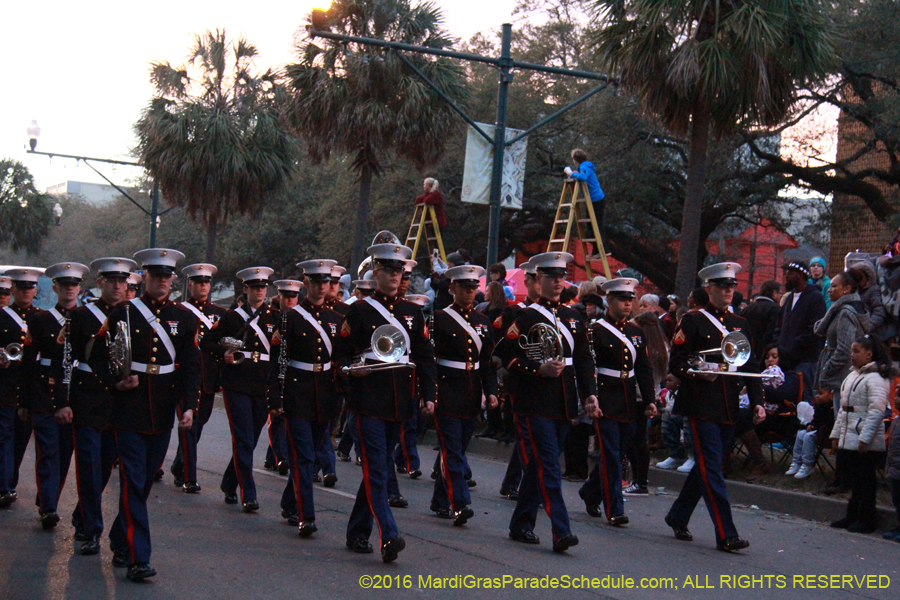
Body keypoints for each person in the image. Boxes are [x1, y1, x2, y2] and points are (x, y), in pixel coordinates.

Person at [90, 248, 200, 581]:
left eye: (168, 277)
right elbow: (95, 355)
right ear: (146, 277)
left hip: (163, 410)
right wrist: (116, 381)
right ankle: (140, 557)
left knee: (143, 485)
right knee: (134, 482)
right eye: (157, 276)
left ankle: (120, 538)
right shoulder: (124, 312)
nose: (163, 282)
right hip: (128, 409)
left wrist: (190, 405)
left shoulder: (185, 317)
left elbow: (192, 366)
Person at [335, 241, 436, 563]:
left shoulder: (412, 312)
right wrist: (351, 372)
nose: (395, 276)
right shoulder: (359, 311)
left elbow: (424, 357)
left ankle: (356, 532)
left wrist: (428, 394)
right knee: (377, 470)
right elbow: (339, 357)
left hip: (399, 403)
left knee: (378, 471)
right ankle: (388, 534)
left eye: (400, 271)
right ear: (375, 271)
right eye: (389, 270)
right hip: (367, 402)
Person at [494, 251, 597, 553]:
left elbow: (583, 360)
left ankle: (521, 523)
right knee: (550, 467)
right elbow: (506, 356)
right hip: (533, 402)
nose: (557, 282)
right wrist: (536, 368)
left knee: (540, 466)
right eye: (550, 277)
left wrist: (589, 393)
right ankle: (561, 530)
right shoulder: (524, 316)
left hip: (563, 404)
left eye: (561, 277)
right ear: (537, 280)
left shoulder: (574, 317)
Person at [665, 262, 766, 552]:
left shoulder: (740, 324)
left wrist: (758, 402)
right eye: (723, 286)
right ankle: (726, 533)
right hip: (699, 404)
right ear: (709, 288)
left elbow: (752, 366)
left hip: (728, 404)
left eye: (732, 286)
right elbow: (677, 361)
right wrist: (697, 372)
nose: (728, 291)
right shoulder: (693, 320)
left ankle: (677, 514)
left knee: (706, 468)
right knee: (712, 468)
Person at [268, 260, 344, 537]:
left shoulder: (336, 320)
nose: (321, 286)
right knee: (302, 456)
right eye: (316, 281)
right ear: (306, 283)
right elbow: (279, 360)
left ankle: (290, 502)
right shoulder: (290, 317)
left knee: (310, 455)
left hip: (325, 392)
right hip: (297, 392)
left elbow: (340, 359)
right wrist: (276, 396)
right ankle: (306, 515)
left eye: (326, 281)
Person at [66, 257, 136, 555]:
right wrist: (62, 402)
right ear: (100, 283)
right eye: (111, 281)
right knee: (90, 467)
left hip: (119, 403)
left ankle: (83, 514)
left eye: (123, 282)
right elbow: (66, 360)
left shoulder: (133, 315)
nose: (118, 286)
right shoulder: (82, 316)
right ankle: (93, 530)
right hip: (89, 399)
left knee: (106, 466)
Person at [16, 262, 89, 529]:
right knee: (47, 451)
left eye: (74, 284)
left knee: (64, 452)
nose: (69, 289)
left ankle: (48, 494)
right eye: (64, 284)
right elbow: (27, 363)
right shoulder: (40, 320)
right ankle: (48, 507)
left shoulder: (87, 319)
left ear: (79, 287)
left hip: (76, 391)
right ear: (55, 287)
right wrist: (23, 401)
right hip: (44, 391)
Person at [578, 278, 656, 525]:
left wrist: (649, 400)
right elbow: (588, 366)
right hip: (605, 398)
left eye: (630, 299)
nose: (627, 304)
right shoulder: (594, 331)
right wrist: (590, 398)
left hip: (628, 400)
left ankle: (590, 492)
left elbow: (643, 369)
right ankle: (615, 509)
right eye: (622, 299)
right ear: (609, 300)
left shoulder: (636, 332)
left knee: (619, 452)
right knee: (611, 455)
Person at [202, 266, 279, 513]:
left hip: (262, 383)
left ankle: (229, 481)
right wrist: (223, 354)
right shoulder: (232, 317)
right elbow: (208, 342)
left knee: (252, 438)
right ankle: (248, 493)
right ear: (245, 289)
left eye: (263, 287)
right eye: (254, 287)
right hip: (236, 382)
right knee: (243, 437)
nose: (259, 291)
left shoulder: (275, 317)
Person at [429, 265, 497, 525]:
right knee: (453, 451)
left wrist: (491, 392)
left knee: (457, 449)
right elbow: (431, 360)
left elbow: (487, 362)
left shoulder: (483, 321)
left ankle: (439, 500)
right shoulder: (439, 318)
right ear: (452, 288)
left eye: (473, 287)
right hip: (447, 391)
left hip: (471, 391)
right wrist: (431, 394)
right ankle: (460, 502)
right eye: (464, 287)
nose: (470, 292)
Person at [830, 336, 894, 533]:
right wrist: (836, 434)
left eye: (857, 351)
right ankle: (852, 515)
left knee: (866, 480)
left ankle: (866, 518)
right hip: (850, 434)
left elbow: (876, 411)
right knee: (855, 478)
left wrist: (865, 438)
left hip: (862, 436)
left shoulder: (876, 379)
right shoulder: (852, 376)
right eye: (852, 351)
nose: (852, 355)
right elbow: (844, 409)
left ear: (869, 354)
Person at [172, 263, 227, 493]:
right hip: (184, 376)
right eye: (198, 282)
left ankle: (178, 464)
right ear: (190, 284)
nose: (203, 286)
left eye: (206, 282)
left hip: (208, 378)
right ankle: (189, 476)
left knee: (199, 424)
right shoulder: (179, 311)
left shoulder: (220, 314)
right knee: (190, 425)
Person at [814, 270, 870, 494]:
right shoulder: (846, 309)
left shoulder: (846, 313)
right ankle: (843, 476)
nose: (830, 289)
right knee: (842, 427)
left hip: (843, 379)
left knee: (844, 428)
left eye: (834, 286)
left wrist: (826, 372)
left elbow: (845, 349)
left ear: (847, 289)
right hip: (844, 377)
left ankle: (845, 478)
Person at [0, 267, 41, 509]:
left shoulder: (43, 318)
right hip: (5, 386)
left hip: (30, 390)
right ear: (13, 289)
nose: (26, 291)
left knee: (21, 439)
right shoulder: (2, 317)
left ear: (35, 290)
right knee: (4, 437)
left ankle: (9, 480)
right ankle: (4, 487)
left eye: (30, 287)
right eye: (21, 287)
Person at [623, 310, 669, 495]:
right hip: (651, 397)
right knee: (640, 439)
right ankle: (640, 480)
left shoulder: (642, 346)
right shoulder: (662, 346)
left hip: (635, 395)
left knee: (632, 440)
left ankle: (636, 480)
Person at [264, 279, 303, 477]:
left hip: (294, 374)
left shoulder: (302, 319)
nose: (289, 299)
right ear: (279, 297)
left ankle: (273, 456)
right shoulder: (271, 318)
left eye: (293, 296)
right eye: (285, 296)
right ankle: (280, 457)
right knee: (277, 418)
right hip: (276, 371)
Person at [775, 260, 826, 397]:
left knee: (803, 396)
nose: (786, 277)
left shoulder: (815, 298)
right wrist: (778, 345)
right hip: (786, 359)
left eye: (790, 273)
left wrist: (791, 346)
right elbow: (779, 325)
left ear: (801, 275)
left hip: (805, 359)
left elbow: (814, 330)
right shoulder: (789, 298)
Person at [785, 386, 835, 479]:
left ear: (830, 395)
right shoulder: (819, 407)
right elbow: (816, 420)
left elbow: (828, 423)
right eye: (817, 393)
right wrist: (810, 424)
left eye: (820, 394)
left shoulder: (832, 409)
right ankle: (796, 462)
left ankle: (807, 464)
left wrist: (817, 428)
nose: (817, 396)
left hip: (825, 434)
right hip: (817, 430)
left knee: (808, 436)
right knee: (801, 433)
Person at [564, 149, 605, 228]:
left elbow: (583, 177)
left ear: (576, 160)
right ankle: (593, 240)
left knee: (596, 226)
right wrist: (572, 174)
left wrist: (572, 174)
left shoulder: (585, 166)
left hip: (596, 199)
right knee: (591, 226)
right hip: (591, 200)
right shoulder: (581, 168)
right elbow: (573, 176)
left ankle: (600, 241)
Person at [741, 280, 782, 359]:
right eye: (780, 294)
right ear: (774, 293)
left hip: (746, 352)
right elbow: (772, 333)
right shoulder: (776, 309)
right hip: (765, 355)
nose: (780, 297)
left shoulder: (747, 309)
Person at [848, 262, 886, 340]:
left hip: (871, 333)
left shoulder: (873, 290)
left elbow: (879, 312)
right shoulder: (853, 290)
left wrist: (867, 328)